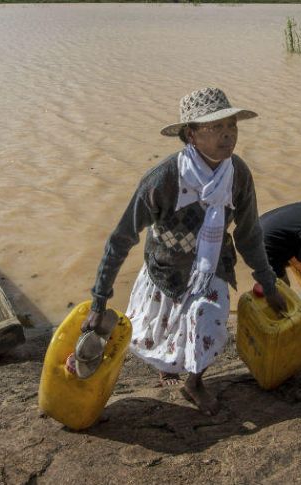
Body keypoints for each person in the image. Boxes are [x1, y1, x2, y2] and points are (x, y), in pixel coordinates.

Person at [79, 87, 286, 416]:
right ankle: (171, 367)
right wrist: (99, 301)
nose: (227, 135)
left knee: (209, 321)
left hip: (213, 266)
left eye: (231, 126)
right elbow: (121, 238)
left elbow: (249, 234)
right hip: (166, 268)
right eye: (215, 128)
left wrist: (268, 283)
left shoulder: (239, 175)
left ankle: (195, 382)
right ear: (191, 134)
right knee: (165, 330)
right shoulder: (162, 180)